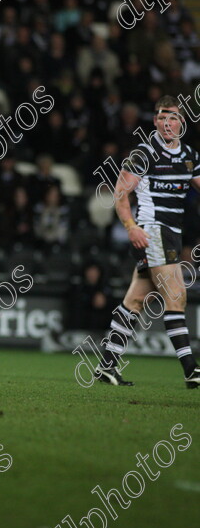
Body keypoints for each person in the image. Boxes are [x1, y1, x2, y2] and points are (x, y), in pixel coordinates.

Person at [95, 96, 200, 388]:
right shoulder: (143, 153)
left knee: (136, 300)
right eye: (162, 118)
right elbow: (119, 194)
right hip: (152, 231)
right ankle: (192, 370)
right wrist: (131, 227)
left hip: (171, 234)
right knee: (176, 296)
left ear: (181, 122)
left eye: (173, 118)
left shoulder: (190, 155)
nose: (167, 123)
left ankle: (107, 366)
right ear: (154, 122)